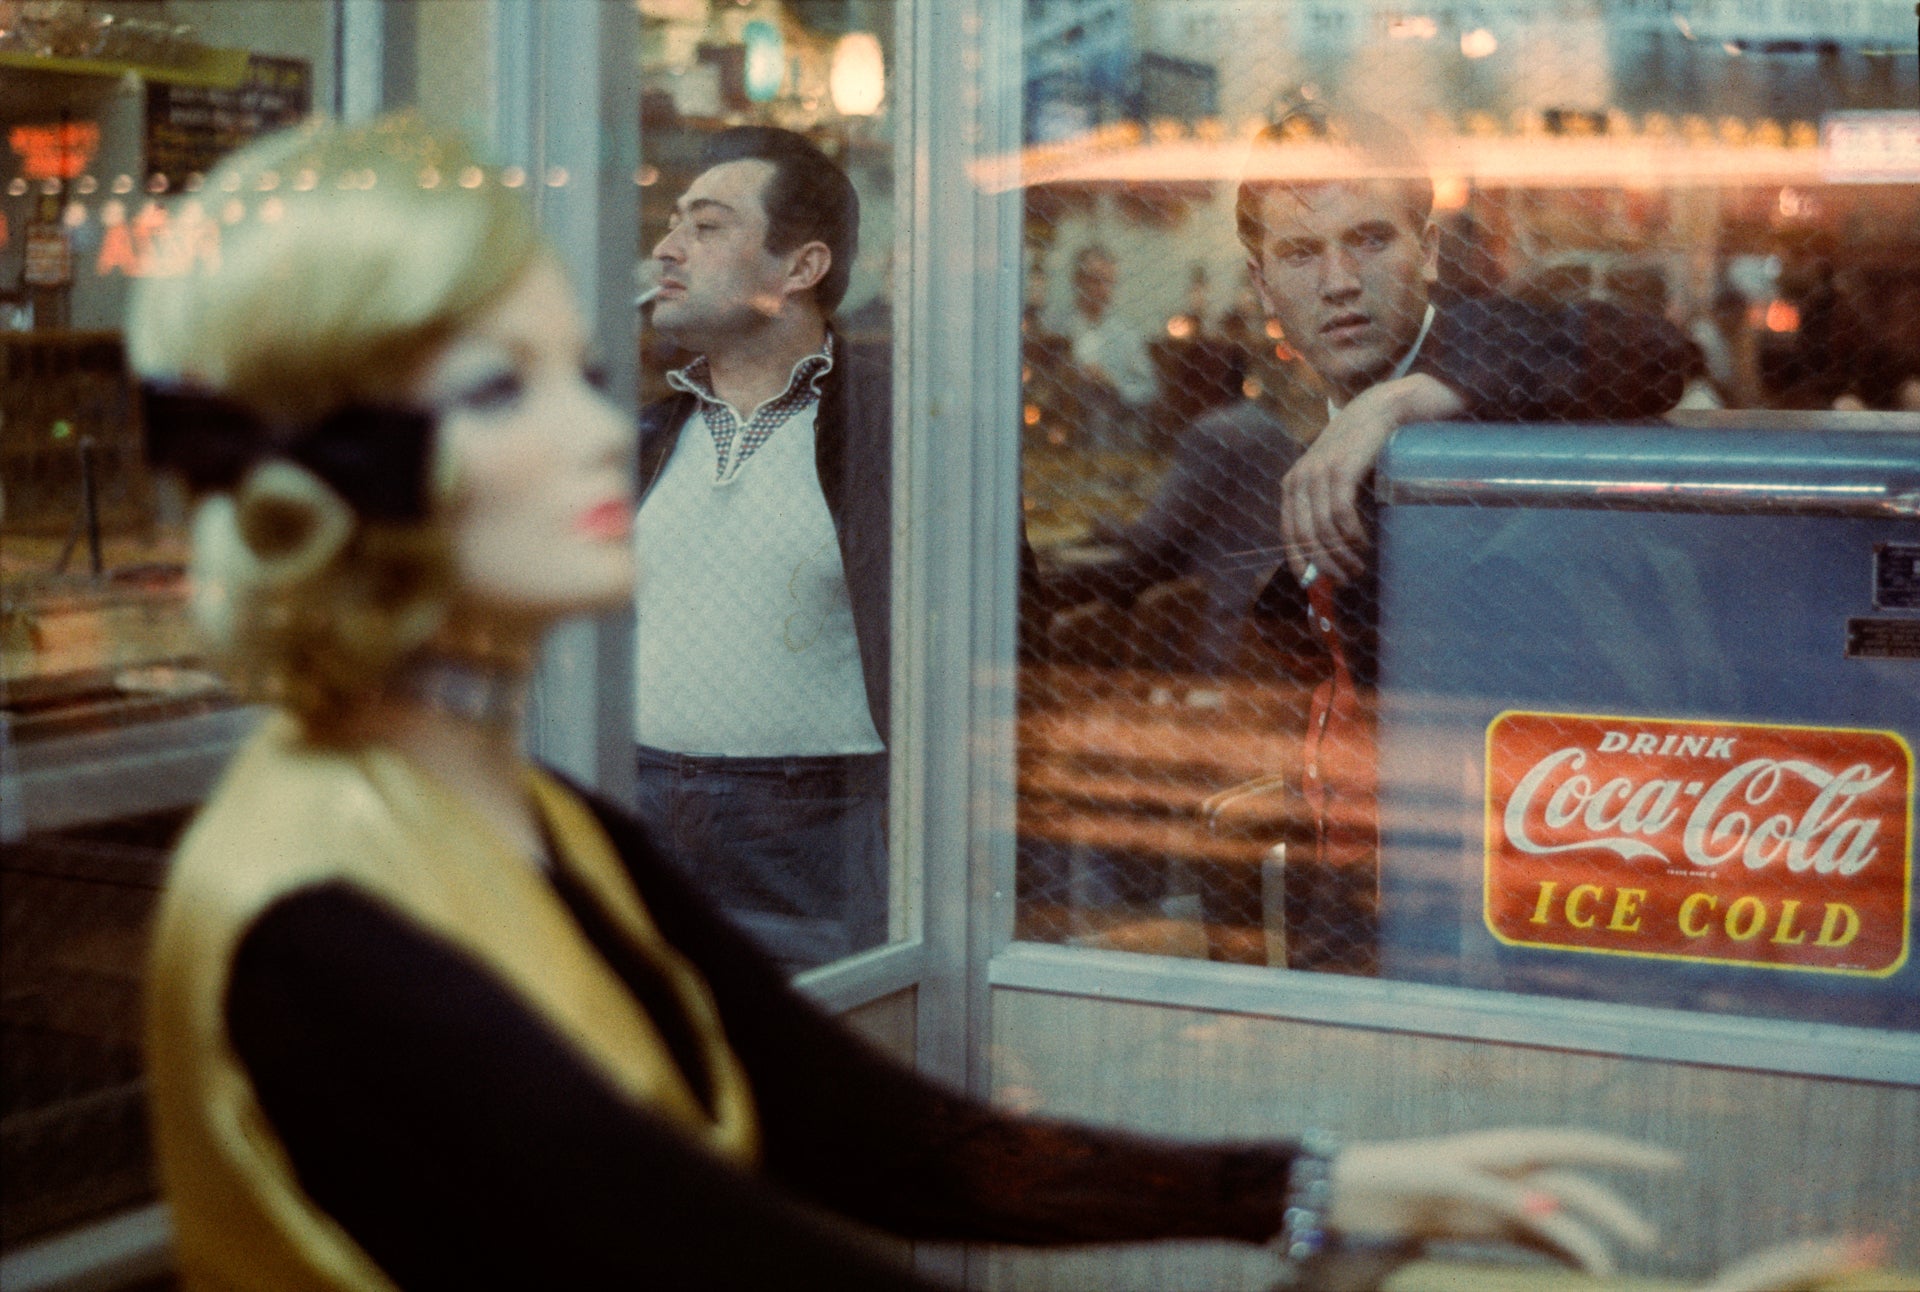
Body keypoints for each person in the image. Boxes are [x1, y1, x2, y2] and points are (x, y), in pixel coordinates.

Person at [135, 114, 1681, 1292]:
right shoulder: (318, 902)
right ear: (322, 476)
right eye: (504, 389)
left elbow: (887, 1141)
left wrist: (1318, 1188)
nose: (601, 430)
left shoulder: (526, 814)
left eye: (573, 369)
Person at [1045, 101, 1695, 967]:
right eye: (1302, 253)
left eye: (1371, 240)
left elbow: (1654, 350)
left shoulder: (1469, 367)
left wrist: (1407, 396)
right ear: (1263, 281)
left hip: (1500, 888)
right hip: (1358, 874)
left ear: (1427, 252)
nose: (1340, 280)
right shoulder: (1303, 416)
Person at [636, 127, 890, 969]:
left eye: (706, 227)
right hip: (634, 807)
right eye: (674, 223)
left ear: (801, 268)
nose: (666, 249)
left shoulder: (897, 429)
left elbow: (1006, 650)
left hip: (813, 829)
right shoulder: (643, 432)